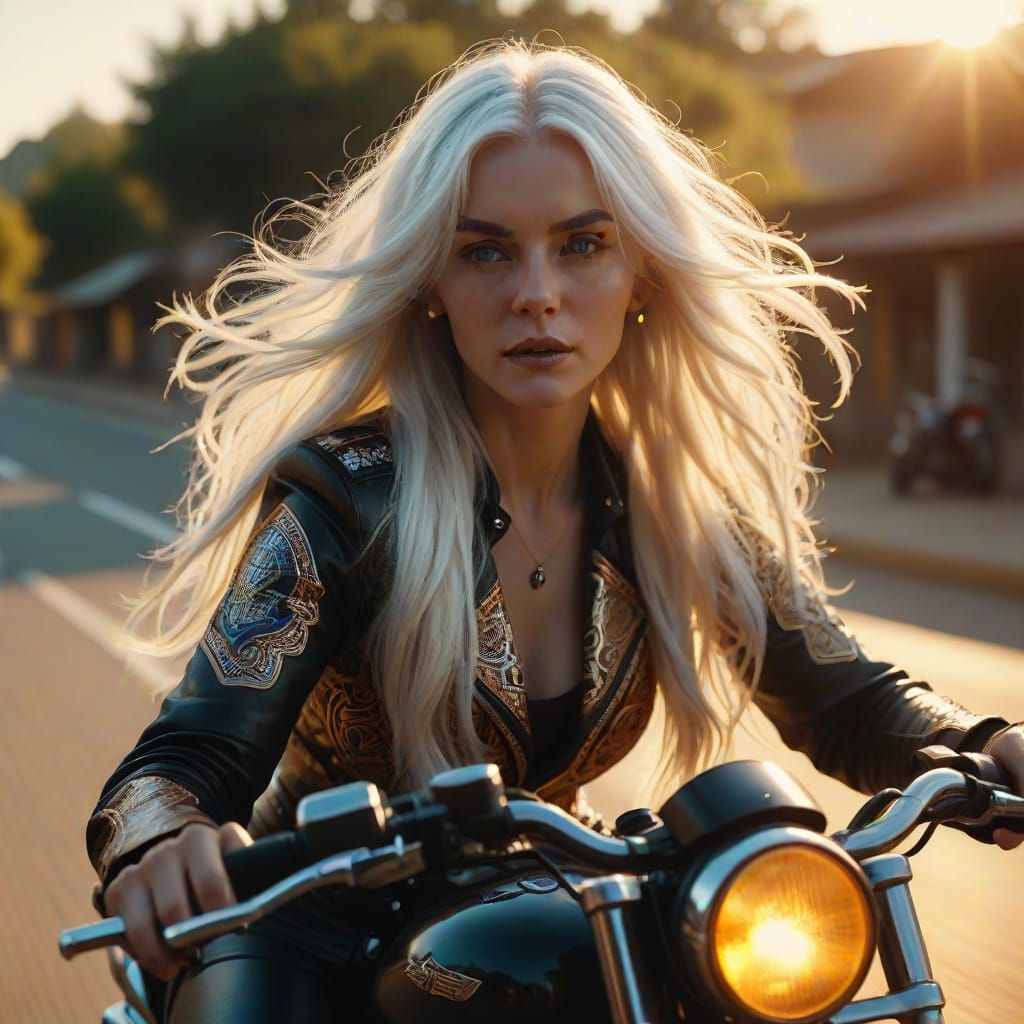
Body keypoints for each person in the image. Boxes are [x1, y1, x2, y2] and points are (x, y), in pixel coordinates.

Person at [86, 36, 1024, 1023]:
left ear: (642, 273)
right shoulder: (344, 500)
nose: (536, 292)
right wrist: (162, 836)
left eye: (581, 244)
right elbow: (184, 758)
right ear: (431, 281)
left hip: (546, 898)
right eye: (485, 250)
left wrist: (984, 740)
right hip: (304, 917)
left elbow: (847, 701)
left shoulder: (676, 499)